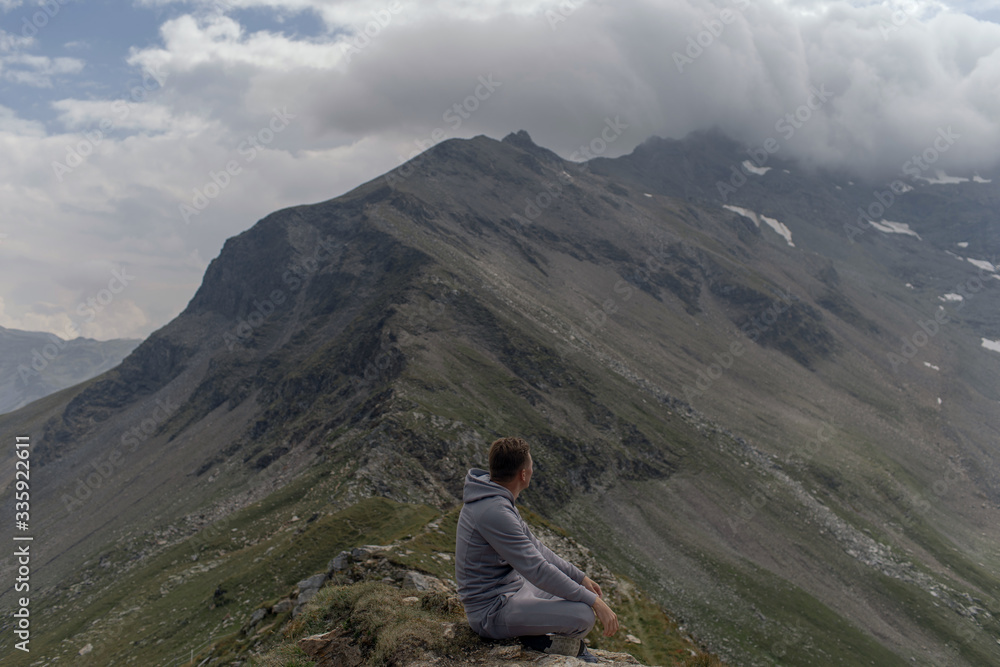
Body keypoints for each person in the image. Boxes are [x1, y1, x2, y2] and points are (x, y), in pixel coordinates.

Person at [455, 436, 619, 662]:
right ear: (523, 474)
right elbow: (537, 569)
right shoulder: (495, 512)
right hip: (491, 612)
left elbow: (537, 548)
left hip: (513, 591)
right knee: (583, 615)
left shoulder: (496, 498)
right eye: (530, 466)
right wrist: (595, 602)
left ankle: (538, 635)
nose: (532, 470)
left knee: (576, 595)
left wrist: (580, 578)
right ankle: (536, 642)